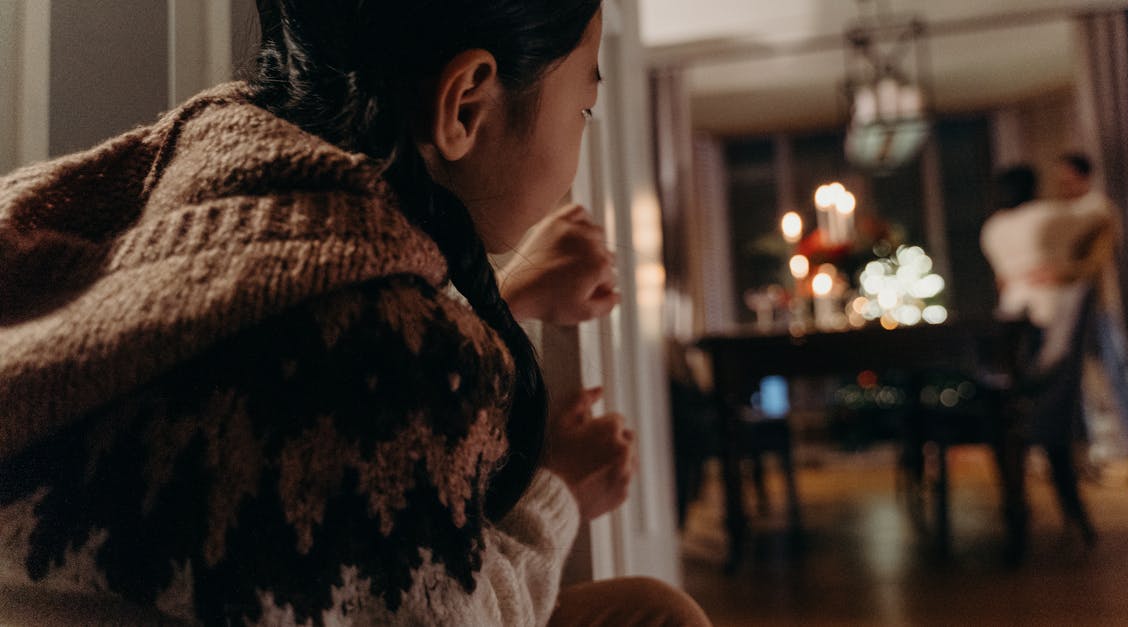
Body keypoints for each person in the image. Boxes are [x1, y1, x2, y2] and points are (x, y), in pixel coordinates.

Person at [0, 2, 710, 625]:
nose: (580, 138)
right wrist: (557, 497)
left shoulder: (185, 170)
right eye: (583, 108)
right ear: (466, 105)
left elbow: (233, 320)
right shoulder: (389, 355)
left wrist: (505, 294)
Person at [981, 165, 1098, 562]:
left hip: (1011, 324)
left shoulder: (993, 229)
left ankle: (1018, 514)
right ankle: (1066, 502)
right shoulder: (1050, 216)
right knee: (1038, 409)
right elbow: (1101, 216)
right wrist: (1072, 268)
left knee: (1006, 404)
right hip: (1046, 324)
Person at [1050, 154, 1128, 482]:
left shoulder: (1099, 212)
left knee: (1119, 375)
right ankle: (1087, 454)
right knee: (1076, 385)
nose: (1064, 187)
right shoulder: (1061, 215)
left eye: (1069, 180)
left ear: (1084, 178)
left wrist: (1057, 271)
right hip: (1066, 309)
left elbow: (1094, 260)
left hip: (1097, 307)